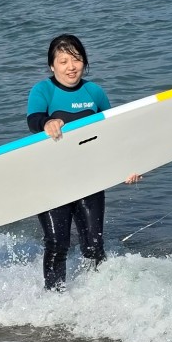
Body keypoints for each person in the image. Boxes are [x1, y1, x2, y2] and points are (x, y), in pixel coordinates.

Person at [26, 34, 135, 290]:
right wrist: (46, 123)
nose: (71, 66)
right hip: (52, 179)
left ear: (84, 62)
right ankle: (53, 298)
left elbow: (112, 133)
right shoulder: (43, 90)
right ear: (52, 66)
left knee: (93, 244)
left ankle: (99, 296)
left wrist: (128, 167)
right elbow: (34, 120)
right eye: (63, 61)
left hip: (89, 177)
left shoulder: (94, 92)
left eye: (76, 59)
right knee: (56, 242)